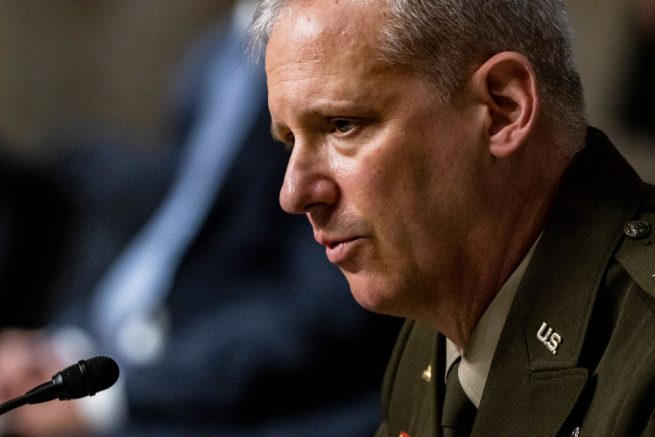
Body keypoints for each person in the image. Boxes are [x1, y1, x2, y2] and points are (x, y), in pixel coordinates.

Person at [248, 0, 655, 435]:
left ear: (503, 108)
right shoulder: (436, 322)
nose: (294, 195)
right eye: (289, 140)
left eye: (343, 125)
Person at [0, 3, 400, 435]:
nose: (293, 193)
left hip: (216, 397)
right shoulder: (215, 54)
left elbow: (322, 311)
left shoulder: (338, 49)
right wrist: (62, 345)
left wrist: (113, 400)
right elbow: (167, 242)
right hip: (117, 349)